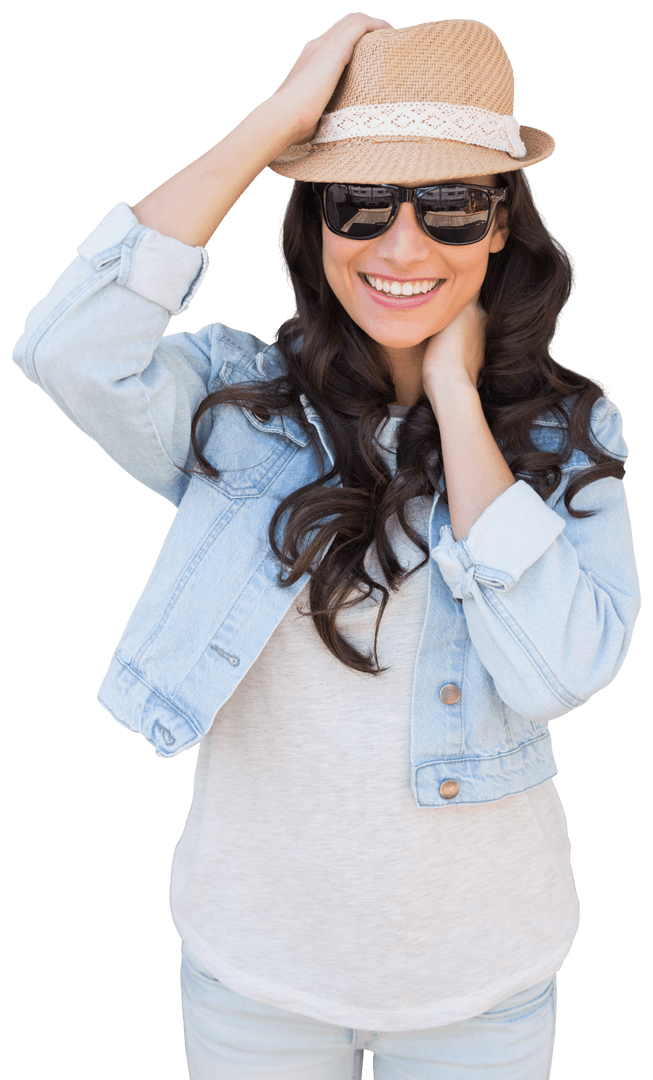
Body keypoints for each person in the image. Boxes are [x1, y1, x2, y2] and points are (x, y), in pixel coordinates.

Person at [12, 13, 641, 1080]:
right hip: (255, 974)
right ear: (313, 225)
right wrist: (274, 123)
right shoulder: (233, 403)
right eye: (358, 202)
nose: (402, 248)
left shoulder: (563, 434)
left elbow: (565, 667)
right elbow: (67, 350)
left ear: (498, 227)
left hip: (475, 985)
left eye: (448, 207)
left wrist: (452, 401)